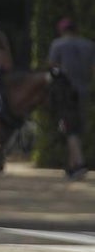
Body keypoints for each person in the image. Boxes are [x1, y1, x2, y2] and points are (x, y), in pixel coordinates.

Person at [48, 17, 95, 179]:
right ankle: (72, 166)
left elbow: (53, 66)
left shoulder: (58, 45)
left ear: (62, 30)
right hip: (83, 90)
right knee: (77, 127)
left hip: (65, 91)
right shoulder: (89, 45)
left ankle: (80, 163)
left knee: (69, 128)